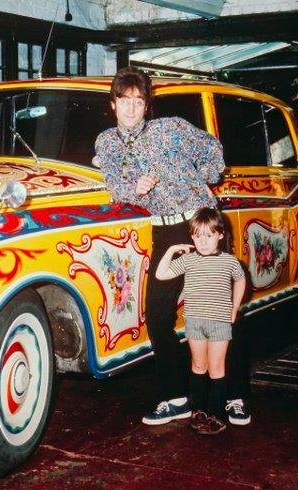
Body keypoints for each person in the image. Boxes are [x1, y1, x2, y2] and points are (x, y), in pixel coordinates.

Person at [92, 66, 247, 425]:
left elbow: (212, 148)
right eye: (125, 101)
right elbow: (116, 184)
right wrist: (137, 190)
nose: (132, 108)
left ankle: (236, 395)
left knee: (220, 310)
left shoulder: (171, 127)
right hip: (163, 231)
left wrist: (206, 182)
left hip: (199, 224)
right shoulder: (107, 143)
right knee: (158, 314)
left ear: (147, 105)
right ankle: (176, 397)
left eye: (139, 101)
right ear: (113, 104)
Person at [155, 208, 246, 435]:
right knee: (198, 365)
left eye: (208, 235)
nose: (203, 241)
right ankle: (199, 410)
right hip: (194, 322)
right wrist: (171, 250)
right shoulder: (188, 260)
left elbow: (241, 280)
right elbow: (161, 274)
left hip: (219, 323)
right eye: (197, 235)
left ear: (220, 235)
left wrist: (234, 307)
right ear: (192, 236)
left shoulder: (229, 261)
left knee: (216, 368)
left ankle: (216, 414)